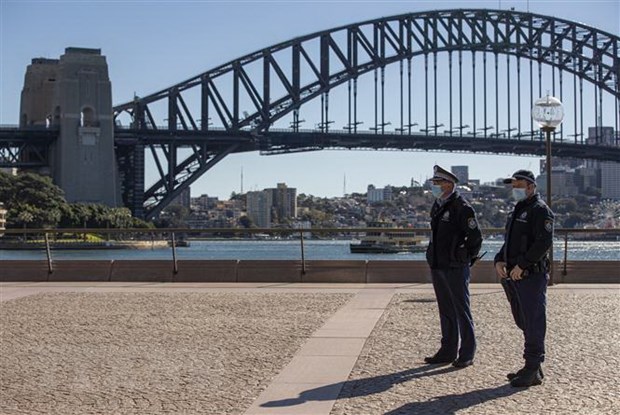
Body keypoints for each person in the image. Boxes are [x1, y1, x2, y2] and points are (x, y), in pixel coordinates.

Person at [494, 169, 554, 387]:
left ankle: (532, 366)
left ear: (531, 187)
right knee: (523, 320)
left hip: (531, 275)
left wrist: (522, 265)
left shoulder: (540, 211)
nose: (515, 189)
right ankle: (533, 368)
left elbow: (543, 243)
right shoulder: (518, 210)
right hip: (514, 275)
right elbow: (508, 242)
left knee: (534, 320)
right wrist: (499, 260)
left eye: (519, 185)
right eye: (514, 185)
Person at [424, 165, 482, 368]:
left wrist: (465, 258)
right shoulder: (438, 205)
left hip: (455, 266)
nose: (435, 187)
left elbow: (476, 238)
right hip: (438, 264)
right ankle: (447, 350)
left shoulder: (462, 207)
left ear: (449, 184)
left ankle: (467, 352)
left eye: (438, 183)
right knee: (446, 309)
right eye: (434, 183)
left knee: (461, 310)